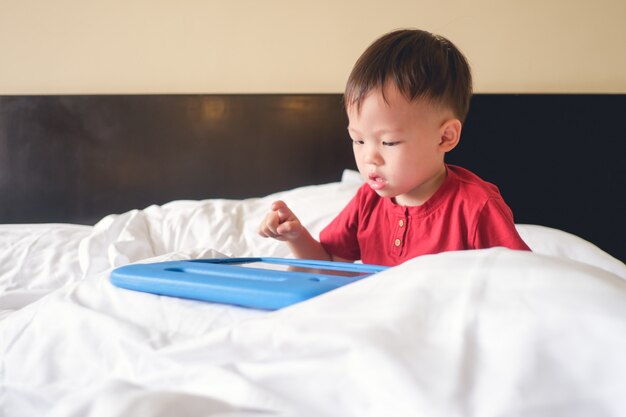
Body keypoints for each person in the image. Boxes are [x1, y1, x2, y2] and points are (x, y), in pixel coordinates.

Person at [258, 28, 530, 266]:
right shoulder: (367, 202)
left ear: (445, 137)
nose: (369, 158)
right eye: (359, 140)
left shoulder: (475, 207)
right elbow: (329, 266)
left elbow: (521, 279)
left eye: (388, 142)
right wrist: (296, 237)